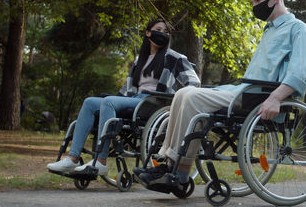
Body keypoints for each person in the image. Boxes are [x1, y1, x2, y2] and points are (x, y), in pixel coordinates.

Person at [137, 0, 306, 188]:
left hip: (260, 97)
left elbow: (301, 72)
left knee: (193, 99)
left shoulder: (299, 30)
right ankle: (171, 165)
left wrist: (275, 98)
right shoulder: (269, 31)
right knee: (183, 93)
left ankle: (176, 171)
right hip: (244, 91)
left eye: (258, 0)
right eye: (253, 2)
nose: (255, 6)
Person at [47, 18, 200, 175]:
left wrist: (176, 105)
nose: (162, 34)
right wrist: (110, 103)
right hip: (136, 100)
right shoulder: (139, 60)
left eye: (166, 32)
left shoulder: (174, 57)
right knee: (90, 102)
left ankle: (101, 161)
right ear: (148, 33)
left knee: (108, 102)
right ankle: (72, 158)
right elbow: (126, 90)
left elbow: (194, 83)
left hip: (154, 103)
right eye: (158, 30)